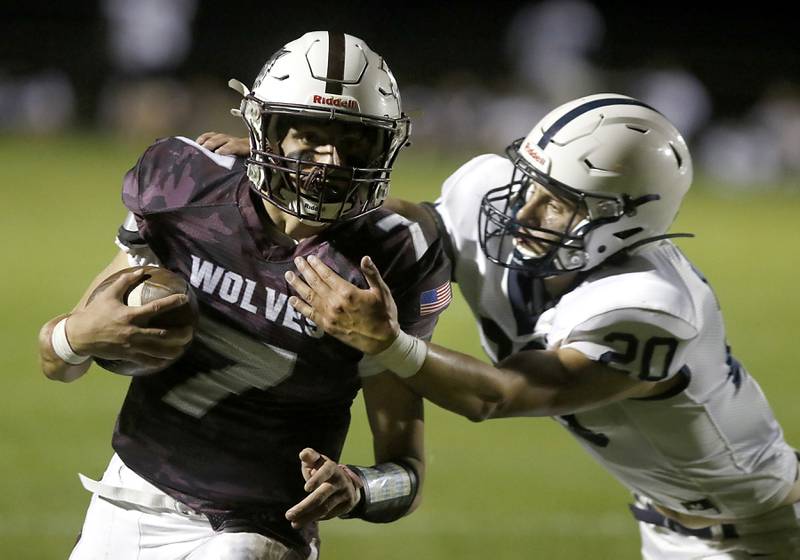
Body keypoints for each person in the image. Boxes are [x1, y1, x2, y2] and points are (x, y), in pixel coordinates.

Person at [268, 94, 800, 559]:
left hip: (762, 533)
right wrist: (293, 174)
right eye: (530, 183)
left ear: (625, 220)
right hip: (671, 522)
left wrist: (388, 342)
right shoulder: (491, 192)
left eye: (559, 204)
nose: (525, 212)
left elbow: (499, 396)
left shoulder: (649, 307)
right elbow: (405, 231)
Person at [38, 31, 451, 560]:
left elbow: (407, 478)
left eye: (354, 141)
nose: (330, 162)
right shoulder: (185, 185)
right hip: (127, 497)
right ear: (266, 130)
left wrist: (359, 487)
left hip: (257, 529)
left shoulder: (393, 255)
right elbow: (55, 360)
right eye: (308, 135)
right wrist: (78, 336)